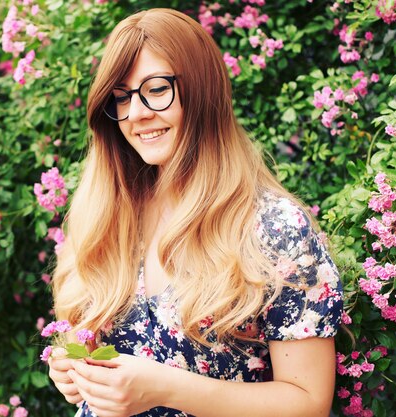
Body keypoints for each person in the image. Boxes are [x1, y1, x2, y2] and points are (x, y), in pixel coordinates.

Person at [48, 8, 343, 417]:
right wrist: (76, 370)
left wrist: (166, 388)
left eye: (155, 89)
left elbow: (308, 402)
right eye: (121, 96)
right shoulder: (106, 215)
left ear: (201, 91)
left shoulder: (273, 228)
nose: (136, 114)